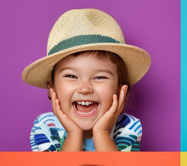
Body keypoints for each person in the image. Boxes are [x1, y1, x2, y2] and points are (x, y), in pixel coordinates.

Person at [23, 9, 150, 152]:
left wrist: (102, 132)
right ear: (52, 89)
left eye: (100, 77)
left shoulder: (128, 127)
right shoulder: (45, 127)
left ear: (120, 88)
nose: (85, 89)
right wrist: (73, 134)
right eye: (71, 76)